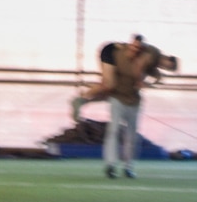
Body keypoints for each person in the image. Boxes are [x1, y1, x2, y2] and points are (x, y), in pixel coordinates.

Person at [73, 34, 174, 179]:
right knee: (113, 128)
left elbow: (156, 76)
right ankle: (111, 165)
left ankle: (128, 166)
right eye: (167, 65)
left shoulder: (152, 63)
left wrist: (149, 83)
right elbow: (139, 66)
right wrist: (140, 79)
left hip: (133, 100)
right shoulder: (141, 54)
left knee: (132, 135)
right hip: (118, 98)